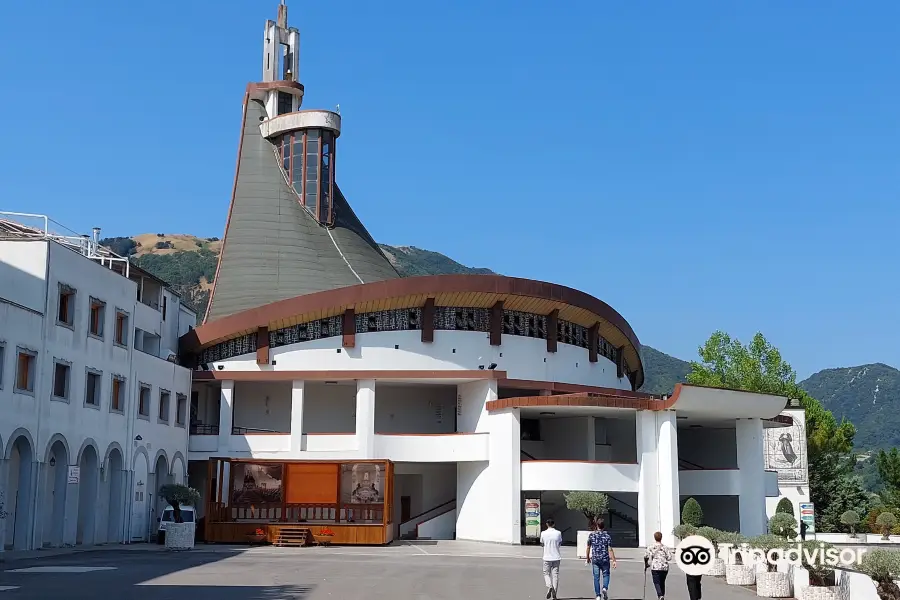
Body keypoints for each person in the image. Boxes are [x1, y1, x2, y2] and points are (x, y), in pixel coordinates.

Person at [585, 519, 617, 600]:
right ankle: (605, 588)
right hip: (605, 558)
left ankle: (598, 595)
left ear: (597, 525)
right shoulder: (607, 536)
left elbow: (588, 547)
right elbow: (610, 549)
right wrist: (614, 560)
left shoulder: (592, 535)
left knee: (596, 577)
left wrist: (587, 557)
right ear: (604, 526)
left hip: (595, 558)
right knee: (606, 575)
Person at [644, 531, 673, 600]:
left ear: (654, 538)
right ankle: (662, 596)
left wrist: (646, 564)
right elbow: (669, 557)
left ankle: (660, 595)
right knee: (662, 582)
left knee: (656, 582)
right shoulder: (665, 547)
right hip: (664, 567)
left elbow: (646, 556)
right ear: (661, 538)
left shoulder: (651, 547)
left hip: (655, 567)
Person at [540, 519, 562, 599]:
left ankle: (549, 586)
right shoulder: (558, 533)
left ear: (546, 524)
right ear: (554, 524)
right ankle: (554, 594)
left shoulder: (543, 533)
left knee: (546, 573)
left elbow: (542, 544)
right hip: (556, 556)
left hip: (547, 557)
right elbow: (559, 543)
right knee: (555, 575)